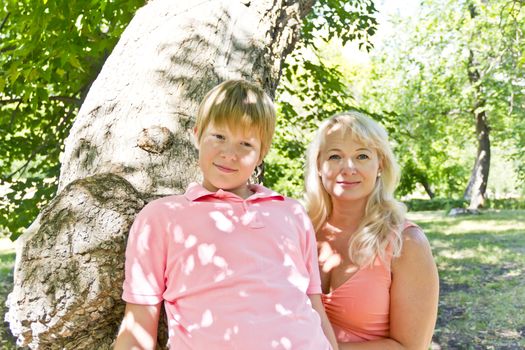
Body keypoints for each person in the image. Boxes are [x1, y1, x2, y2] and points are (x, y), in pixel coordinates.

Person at [114, 79, 338, 349]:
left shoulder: (291, 213)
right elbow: (138, 327)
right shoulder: (161, 218)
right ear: (197, 135)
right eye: (219, 137)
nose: (229, 154)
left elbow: (313, 305)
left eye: (245, 144)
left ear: (261, 153)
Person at [304, 111, 439, 349]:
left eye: (362, 156)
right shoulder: (299, 231)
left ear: (380, 165)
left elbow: (410, 347)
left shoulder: (406, 242)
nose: (348, 167)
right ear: (318, 165)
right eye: (335, 156)